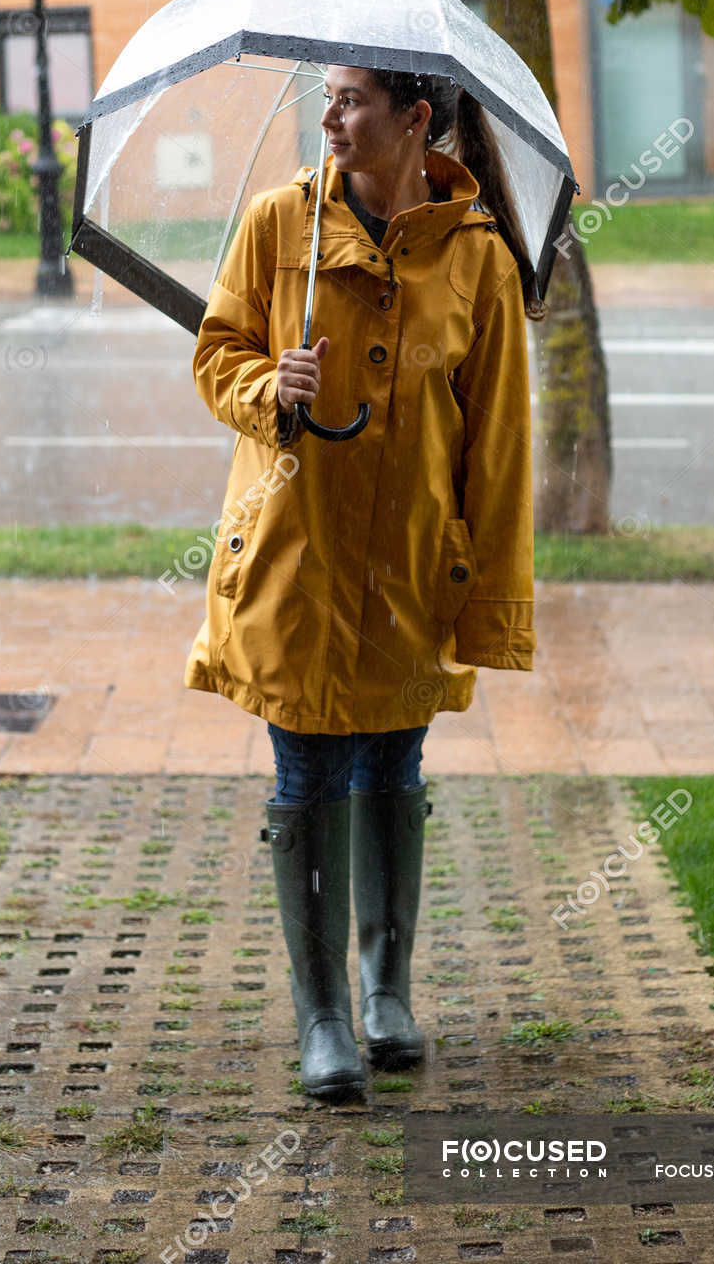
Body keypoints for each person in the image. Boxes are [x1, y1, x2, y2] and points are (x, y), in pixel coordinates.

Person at [184, 62, 542, 1099]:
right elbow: (215, 354)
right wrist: (266, 383)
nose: (330, 118)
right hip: (295, 567)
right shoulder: (275, 224)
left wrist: (490, 607)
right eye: (328, 100)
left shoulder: (479, 261)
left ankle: (388, 990)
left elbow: (501, 451)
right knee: (309, 778)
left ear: (416, 119)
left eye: (352, 102)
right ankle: (324, 1017)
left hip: (412, 571)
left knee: (392, 767)